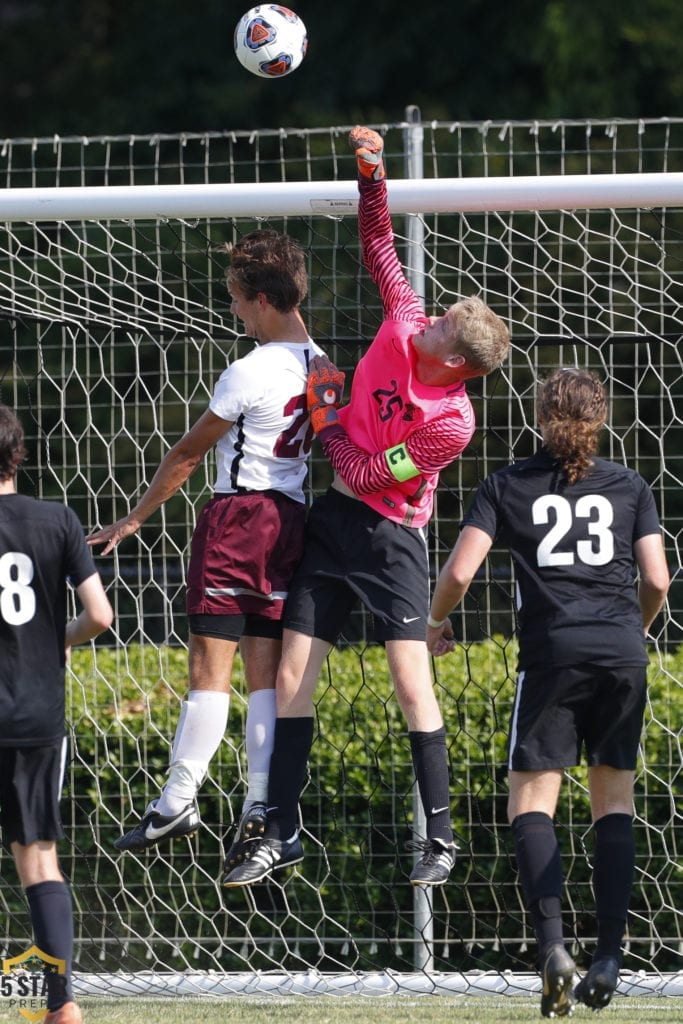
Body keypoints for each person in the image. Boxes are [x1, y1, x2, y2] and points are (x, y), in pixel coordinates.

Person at [222, 126, 510, 890]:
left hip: (391, 538)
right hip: (334, 523)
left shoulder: (452, 418)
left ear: (454, 361)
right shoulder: (404, 317)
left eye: (444, 325)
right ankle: (279, 831)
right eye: (441, 312)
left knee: (411, 682)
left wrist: (327, 422)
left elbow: (377, 471)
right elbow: (378, 238)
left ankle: (441, 839)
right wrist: (370, 171)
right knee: (291, 677)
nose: (431, 317)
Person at [424, 368, 669, 1016]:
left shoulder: (506, 484)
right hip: (621, 654)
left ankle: (553, 948)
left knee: (530, 802)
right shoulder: (631, 486)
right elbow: (658, 579)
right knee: (611, 800)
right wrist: (629, 631)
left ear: (541, 418)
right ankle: (610, 955)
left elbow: (458, 570)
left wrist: (434, 620)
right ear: (600, 419)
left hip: (552, 655)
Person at [87, 230, 324, 867]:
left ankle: (177, 800)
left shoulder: (248, 370)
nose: (234, 311)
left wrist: (132, 520)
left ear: (267, 301)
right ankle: (259, 807)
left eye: (239, 301)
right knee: (264, 675)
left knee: (207, 667)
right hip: (292, 522)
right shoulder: (325, 366)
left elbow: (188, 454)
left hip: (239, 519)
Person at [0, 405, 113, 1024]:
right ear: (18, 457)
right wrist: (53, 640)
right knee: (39, 857)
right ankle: (61, 1003)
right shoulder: (58, 520)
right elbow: (100, 616)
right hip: (37, 716)